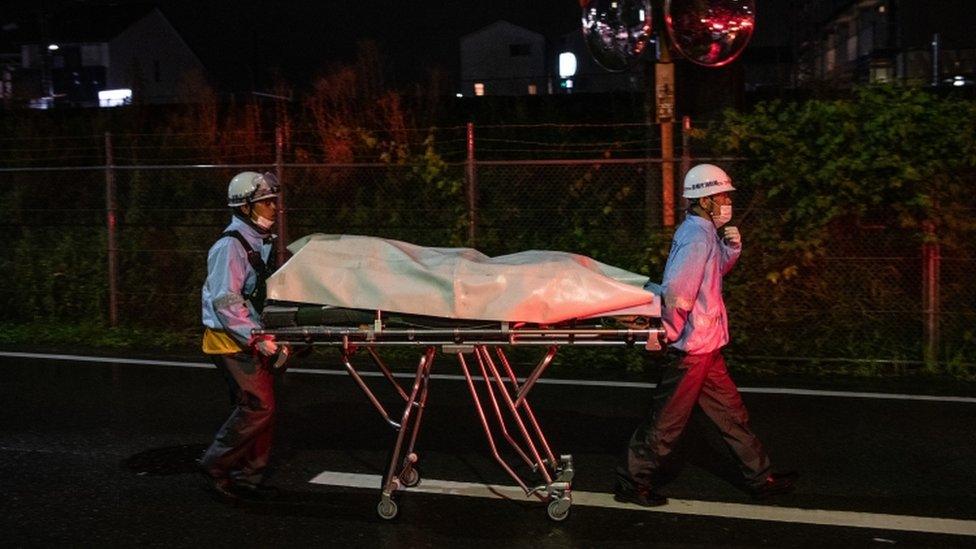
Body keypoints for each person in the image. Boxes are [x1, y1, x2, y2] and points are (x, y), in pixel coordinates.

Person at [614, 164, 797, 507]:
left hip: (706, 345)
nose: (728, 201)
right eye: (723, 195)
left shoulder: (705, 232)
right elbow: (680, 293)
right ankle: (631, 480)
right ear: (706, 199)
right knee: (667, 423)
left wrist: (732, 249)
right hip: (691, 349)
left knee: (732, 415)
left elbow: (711, 275)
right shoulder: (697, 236)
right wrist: (667, 332)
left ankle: (761, 479)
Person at [199, 171, 290, 502]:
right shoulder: (230, 247)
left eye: (273, 202)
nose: (274, 208)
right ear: (247, 208)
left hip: (249, 334)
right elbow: (226, 301)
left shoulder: (258, 241)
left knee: (261, 406)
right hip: (230, 339)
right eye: (266, 203)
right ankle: (215, 464)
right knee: (258, 406)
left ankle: (249, 478)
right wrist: (256, 337)